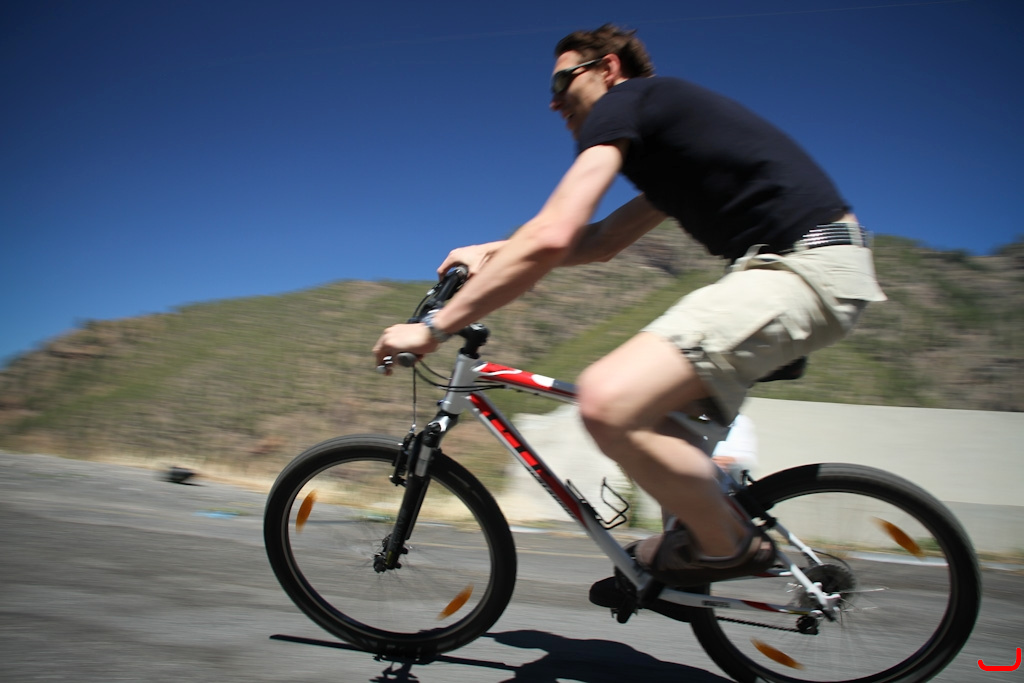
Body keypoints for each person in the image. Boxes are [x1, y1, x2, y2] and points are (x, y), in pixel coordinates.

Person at [373, 24, 886, 589]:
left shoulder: (630, 100)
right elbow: (600, 241)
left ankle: (730, 545)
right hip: (798, 270)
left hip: (801, 267)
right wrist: (491, 250)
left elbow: (553, 233)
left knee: (606, 400)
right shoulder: (669, 150)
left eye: (562, 82)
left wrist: (436, 328)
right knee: (656, 424)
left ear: (608, 69)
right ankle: (685, 548)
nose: (553, 102)